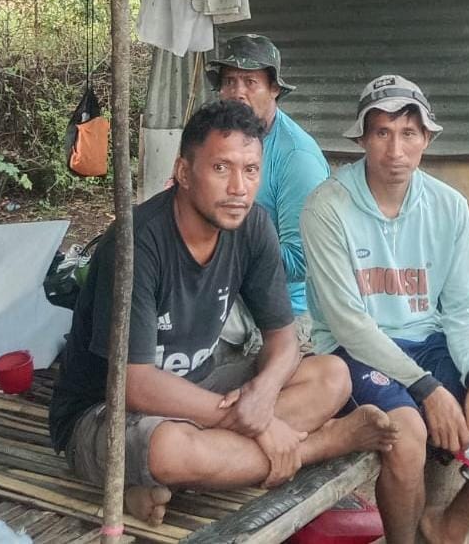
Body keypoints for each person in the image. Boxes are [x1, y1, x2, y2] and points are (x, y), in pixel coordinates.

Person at [48, 100, 398, 526]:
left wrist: (264, 392)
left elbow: (283, 340)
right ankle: (314, 447)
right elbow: (134, 385)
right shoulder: (136, 243)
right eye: (221, 168)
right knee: (171, 449)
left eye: (250, 170)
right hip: (105, 410)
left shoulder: (253, 227)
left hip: (199, 387)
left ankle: (173, 476)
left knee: (332, 376)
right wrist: (257, 424)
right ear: (183, 173)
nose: (239, 188)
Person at [301, 76, 469, 544]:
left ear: (428, 138)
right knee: (406, 436)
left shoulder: (448, 206)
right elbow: (348, 323)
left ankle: (444, 529)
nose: (395, 150)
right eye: (382, 133)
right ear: (361, 139)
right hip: (353, 350)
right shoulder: (327, 207)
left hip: (429, 341)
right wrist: (429, 390)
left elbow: (463, 308)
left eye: (409, 133)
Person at [207, 34, 330, 348]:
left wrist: (222, 250)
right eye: (230, 81)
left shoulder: (297, 158)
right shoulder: (212, 138)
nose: (238, 92)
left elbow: (302, 261)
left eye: (250, 82)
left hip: (283, 313)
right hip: (224, 291)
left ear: (274, 89)